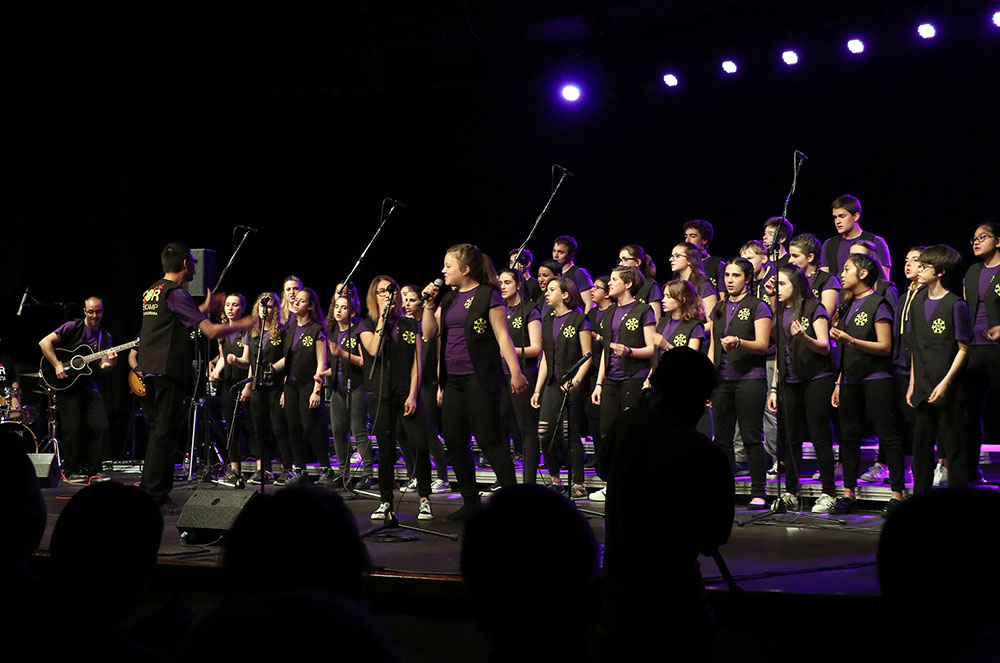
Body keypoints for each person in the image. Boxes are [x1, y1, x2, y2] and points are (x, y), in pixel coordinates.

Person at [599, 348, 732, 662]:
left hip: (619, 601)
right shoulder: (702, 451)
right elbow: (712, 538)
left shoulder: (625, 425)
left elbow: (604, 470)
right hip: (676, 603)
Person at [136, 242, 254, 513]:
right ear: (185, 264)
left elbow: (172, 319)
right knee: (165, 434)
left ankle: (149, 490)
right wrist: (243, 324)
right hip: (167, 369)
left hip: (150, 368)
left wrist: (202, 307)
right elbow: (211, 331)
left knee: (158, 433)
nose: (195, 266)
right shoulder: (176, 292)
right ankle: (155, 496)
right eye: (193, 261)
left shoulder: (153, 290)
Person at [420, 243, 528, 522]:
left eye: (448, 266)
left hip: (479, 378)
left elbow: (502, 336)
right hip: (453, 381)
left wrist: (516, 372)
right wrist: (429, 305)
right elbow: (430, 334)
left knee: (489, 440)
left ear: (465, 269)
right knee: (455, 441)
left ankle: (514, 503)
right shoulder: (447, 299)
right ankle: (471, 503)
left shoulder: (488, 296)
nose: (443, 271)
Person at [830, 253, 905, 513]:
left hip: (876, 379)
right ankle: (848, 493)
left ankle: (897, 494)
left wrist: (851, 340)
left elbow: (885, 346)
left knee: (888, 434)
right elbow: (844, 352)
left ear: (862, 274)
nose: (842, 274)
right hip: (850, 379)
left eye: (847, 269)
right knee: (849, 436)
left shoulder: (878, 303)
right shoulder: (847, 304)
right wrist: (839, 382)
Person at [358, 276, 436, 521]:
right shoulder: (366, 325)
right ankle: (385, 501)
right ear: (374, 296)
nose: (387, 295)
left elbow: (417, 362)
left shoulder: (410, 324)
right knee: (387, 451)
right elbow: (374, 350)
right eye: (381, 291)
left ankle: (424, 499)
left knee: (419, 445)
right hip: (381, 394)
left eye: (391, 291)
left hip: (407, 394)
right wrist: (382, 318)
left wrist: (413, 394)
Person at [767, 266, 837, 513]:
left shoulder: (813, 307)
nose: (778, 289)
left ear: (795, 285)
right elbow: (779, 352)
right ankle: (791, 492)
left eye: (782, 284)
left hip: (816, 378)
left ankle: (828, 492)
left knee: (819, 435)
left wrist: (804, 338)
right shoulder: (780, 312)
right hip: (789, 379)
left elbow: (824, 346)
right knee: (791, 437)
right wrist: (774, 387)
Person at [709, 258, 772, 508]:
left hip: (749, 379)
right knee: (722, 439)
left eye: (736, 275)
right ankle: (724, 489)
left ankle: (759, 491)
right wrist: (709, 378)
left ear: (747, 279)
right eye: (727, 275)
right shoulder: (719, 308)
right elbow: (713, 347)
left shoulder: (758, 306)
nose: (730, 280)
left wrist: (738, 342)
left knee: (750, 437)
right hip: (722, 380)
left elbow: (763, 345)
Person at [908, 245, 972, 493]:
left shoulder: (956, 305)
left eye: (925, 266)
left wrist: (945, 383)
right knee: (921, 447)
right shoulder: (917, 302)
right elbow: (915, 347)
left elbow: (963, 349)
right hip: (923, 386)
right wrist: (913, 383)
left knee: (954, 448)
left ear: (941, 272)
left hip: (949, 388)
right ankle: (920, 498)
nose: (919, 270)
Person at [590, 265, 656, 502]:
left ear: (627, 284)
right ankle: (613, 482)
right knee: (607, 431)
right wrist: (599, 383)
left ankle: (634, 482)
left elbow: (652, 348)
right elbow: (606, 352)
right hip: (611, 379)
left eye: (614, 279)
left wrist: (629, 351)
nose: (609, 283)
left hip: (633, 377)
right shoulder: (609, 312)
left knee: (631, 433)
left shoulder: (643, 310)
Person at [38, 296, 117, 483]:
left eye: (98, 312)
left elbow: (104, 366)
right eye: (91, 312)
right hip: (68, 386)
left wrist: (111, 364)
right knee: (72, 429)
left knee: (101, 426)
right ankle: (71, 470)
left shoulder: (105, 337)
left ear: (103, 312)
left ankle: (95, 470)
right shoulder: (72, 327)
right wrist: (57, 364)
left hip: (90, 387)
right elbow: (44, 343)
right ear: (84, 311)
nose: (94, 315)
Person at [531, 277, 593, 498]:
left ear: (565, 295)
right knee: (544, 432)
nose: (546, 293)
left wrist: (575, 381)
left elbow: (587, 355)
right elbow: (546, 359)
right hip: (552, 383)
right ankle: (555, 479)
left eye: (552, 290)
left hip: (573, 384)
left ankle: (578, 482)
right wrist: (537, 389)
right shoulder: (547, 320)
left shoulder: (579, 320)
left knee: (570, 433)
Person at [227, 293, 292, 485]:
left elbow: (289, 358)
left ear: (276, 309)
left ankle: (288, 468)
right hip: (257, 385)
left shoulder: (282, 331)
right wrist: (235, 361)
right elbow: (249, 362)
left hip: (276, 385)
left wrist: (275, 372)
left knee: (278, 427)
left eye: (270, 306)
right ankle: (263, 469)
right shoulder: (253, 331)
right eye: (263, 306)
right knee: (259, 429)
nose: (266, 309)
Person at [320, 288, 374, 490]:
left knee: (358, 430)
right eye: (337, 307)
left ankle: (368, 473)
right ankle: (343, 473)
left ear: (352, 312)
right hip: (337, 387)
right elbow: (336, 365)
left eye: (344, 308)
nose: (338, 310)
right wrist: (324, 374)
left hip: (357, 386)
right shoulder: (333, 332)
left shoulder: (359, 330)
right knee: (338, 431)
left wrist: (342, 353)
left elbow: (365, 361)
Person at [401, 285, 450, 493]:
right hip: (409, 385)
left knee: (429, 432)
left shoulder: (429, 326)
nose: (407, 304)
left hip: (429, 384)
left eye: (412, 300)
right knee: (407, 433)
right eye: (405, 300)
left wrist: (441, 385)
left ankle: (442, 477)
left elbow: (439, 357)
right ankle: (415, 475)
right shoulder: (405, 327)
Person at [962, 222, 1000, 484]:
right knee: (969, 410)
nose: (976, 242)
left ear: (998, 241)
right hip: (974, 347)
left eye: (983, 237)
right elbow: (965, 306)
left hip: (997, 348)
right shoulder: (973, 271)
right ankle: (969, 471)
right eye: (974, 238)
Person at [280, 287, 329, 486]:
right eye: (295, 299)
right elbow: (288, 360)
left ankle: (326, 468)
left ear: (310, 306)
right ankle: (299, 469)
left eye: (301, 300)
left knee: (309, 426)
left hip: (309, 383)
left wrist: (317, 390)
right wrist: (284, 389)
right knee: (293, 427)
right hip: (291, 384)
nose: (296, 302)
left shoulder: (316, 330)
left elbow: (321, 363)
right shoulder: (289, 329)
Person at [652, 279, 711, 438]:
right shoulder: (663, 322)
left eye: (668, 297)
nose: (663, 300)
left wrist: (666, 345)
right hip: (663, 385)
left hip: (683, 386)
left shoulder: (694, 326)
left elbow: (690, 360)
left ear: (682, 300)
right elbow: (656, 356)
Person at [498, 268, 542, 484]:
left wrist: (509, 351)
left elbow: (536, 348)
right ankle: (505, 479)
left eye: (507, 282)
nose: (502, 286)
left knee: (527, 429)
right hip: (500, 375)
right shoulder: (499, 310)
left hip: (523, 373)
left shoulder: (530, 310)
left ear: (518, 284)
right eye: (500, 283)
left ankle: (529, 482)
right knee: (499, 425)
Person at [210, 293, 253, 488]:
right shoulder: (223, 331)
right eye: (227, 305)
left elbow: (250, 361)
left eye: (235, 305)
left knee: (251, 426)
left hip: (244, 382)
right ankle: (234, 470)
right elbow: (222, 357)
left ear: (242, 308)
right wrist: (216, 372)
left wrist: (248, 385)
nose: (230, 308)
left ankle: (261, 468)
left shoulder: (247, 331)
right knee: (231, 426)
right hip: (229, 384)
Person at [821, 194, 892, 280]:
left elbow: (884, 281)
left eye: (842, 216)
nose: (837, 221)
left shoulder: (875, 241)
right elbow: (824, 280)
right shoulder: (829, 244)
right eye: (835, 217)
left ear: (856, 216)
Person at [788, 233, 840, 318]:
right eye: (790, 255)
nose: (790, 260)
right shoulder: (791, 279)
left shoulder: (827, 280)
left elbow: (825, 315)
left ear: (810, 257)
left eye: (795, 256)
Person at [669, 241, 718, 323]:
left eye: (677, 256)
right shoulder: (674, 284)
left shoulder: (703, 284)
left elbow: (712, 322)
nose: (671, 259)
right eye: (671, 256)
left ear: (689, 260)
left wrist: (694, 330)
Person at [618, 244, 662, 321]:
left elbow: (656, 319)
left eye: (625, 260)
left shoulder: (650, 286)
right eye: (620, 260)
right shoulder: (621, 285)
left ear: (637, 262)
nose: (621, 264)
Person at [683, 219, 726, 297]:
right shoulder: (684, 264)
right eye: (686, 236)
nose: (687, 240)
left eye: (693, 236)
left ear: (704, 240)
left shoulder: (717, 264)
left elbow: (723, 297)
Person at [552, 235, 595, 312]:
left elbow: (590, 303)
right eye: (554, 251)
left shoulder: (579, 273)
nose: (555, 255)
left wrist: (584, 319)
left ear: (571, 255)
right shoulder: (555, 274)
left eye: (560, 252)